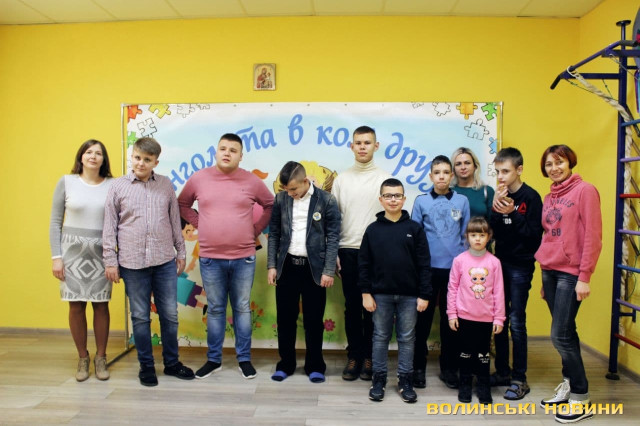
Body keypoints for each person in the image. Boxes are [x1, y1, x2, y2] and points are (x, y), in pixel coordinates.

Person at [178, 133, 274, 380]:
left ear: (241, 156)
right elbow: (183, 204)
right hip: (211, 258)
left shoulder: (251, 181)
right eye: (223, 148)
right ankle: (213, 360)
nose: (227, 153)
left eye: (233, 150)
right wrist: (200, 223)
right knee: (216, 309)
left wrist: (255, 229)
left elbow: (270, 205)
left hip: (244, 257)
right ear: (216, 151)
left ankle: (244, 359)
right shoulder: (199, 178)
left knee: (242, 308)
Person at [103, 137, 194, 386]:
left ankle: (172, 363)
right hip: (132, 264)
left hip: (164, 261)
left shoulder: (165, 185)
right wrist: (110, 261)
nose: (140, 163)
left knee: (170, 315)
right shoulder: (118, 187)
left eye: (147, 159)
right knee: (141, 317)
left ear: (155, 162)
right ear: (131, 156)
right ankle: (146, 366)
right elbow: (109, 226)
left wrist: (181, 252)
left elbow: (174, 221)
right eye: (137, 157)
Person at [535, 145, 602, 423]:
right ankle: (569, 385)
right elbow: (549, 236)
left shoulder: (585, 191)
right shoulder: (549, 196)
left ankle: (581, 397)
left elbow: (593, 236)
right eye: (549, 164)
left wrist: (584, 276)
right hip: (550, 272)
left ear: (570, 163)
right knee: (567, 332)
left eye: (559, 162)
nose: (554, 168)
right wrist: (544, 273)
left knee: (560, 336)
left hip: (571, 273)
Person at [267, 161, 341, 383]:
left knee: (313, 320)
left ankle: (315, 365)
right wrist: (272, 265)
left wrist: (328, 270)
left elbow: (333, 237)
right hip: (287, 266)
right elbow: (274, 233)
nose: (290, 193)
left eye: (293, 189)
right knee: (285, 319)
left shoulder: (326, 200)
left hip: (314, 269)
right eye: (286, 190)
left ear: (305, 181)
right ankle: (286, 364)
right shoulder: (281, 200)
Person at [359, 178, 431, 403]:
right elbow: (364, 264)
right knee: (380, 337)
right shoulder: (372, 230)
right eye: (388, 196)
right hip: (380, 295)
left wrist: (424, 294)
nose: (393, 200)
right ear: (381, 199)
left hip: (410, 296)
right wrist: (366, 293)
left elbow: (424, 264)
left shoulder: (414, 229)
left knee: (407, 338)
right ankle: (378, 379)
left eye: (397, 195)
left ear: (404, 199)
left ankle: (405, 379)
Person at [49, 139, 113, 382]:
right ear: (81, 157)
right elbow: (55, 222)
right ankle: (83, 357)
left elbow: (118, 222)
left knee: (101, 305)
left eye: (98, 153)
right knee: (75, 306)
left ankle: (101, 358)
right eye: (89, 152)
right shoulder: (66, 182)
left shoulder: (113, 185)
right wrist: (57, 257)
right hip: (72, 254)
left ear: (104, 159)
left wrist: (114, 258)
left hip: (102, 253)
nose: (93, 156)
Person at [332, 125, 391, 381]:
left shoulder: (385, 179)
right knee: (352, 307)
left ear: (376, 146)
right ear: (352, 146)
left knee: (373, 308)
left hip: (376, 253)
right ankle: (354, 356)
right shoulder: (341, 180)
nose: (363, 147)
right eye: (358, 143)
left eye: (367, 142)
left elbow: (391, 219)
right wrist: (334, 251)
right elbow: (333, 219)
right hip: (347, 250)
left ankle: (369, 357)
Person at [411, 155, 470, 389]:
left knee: (450, 321)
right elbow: (415, 238)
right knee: (422, 321)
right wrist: (418, 268)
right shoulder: (421, 201)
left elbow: (466, 235)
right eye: (437, 173)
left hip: (453, 272)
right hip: (427, 271)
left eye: (446, 172)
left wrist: (463, 267)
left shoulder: (462, 201)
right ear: (431, 176)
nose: (442, 176)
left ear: (452, 175)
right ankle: (418, 367)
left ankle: (449, 367)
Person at [490, 147, 543, 400]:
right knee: (499, 318)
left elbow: (533, 237)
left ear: (519, 170)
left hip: (521, 266)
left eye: (505, 171)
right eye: (497, 171)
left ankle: (520, 378)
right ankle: (502, 371)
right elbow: (493, 232)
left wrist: (512, 213)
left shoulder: (531, 197)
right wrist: (495, 209)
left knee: (517, 321)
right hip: (499, 263)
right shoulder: (499, 196)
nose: (500, 177)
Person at [447, 217, 505, 405]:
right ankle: (464, 384)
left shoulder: (494, 263)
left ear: (489, 237)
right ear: (467, 237)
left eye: (481, 235)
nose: (477, 239)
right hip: (464, 317)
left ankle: (483, 386)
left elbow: (499, 291)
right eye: (473, 235)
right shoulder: (459, 261)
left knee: (483, 355)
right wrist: (452, 314)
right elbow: (452, 288)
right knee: (465, 353)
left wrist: (499, 318)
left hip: (486, 319)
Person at [451, 147, 495, 219]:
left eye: (467, 163)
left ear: (475, 166)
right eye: (458, 164)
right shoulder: (448, 192)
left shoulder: (487, 191)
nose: (463, 167)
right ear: (453, 169)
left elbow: (493, 222)